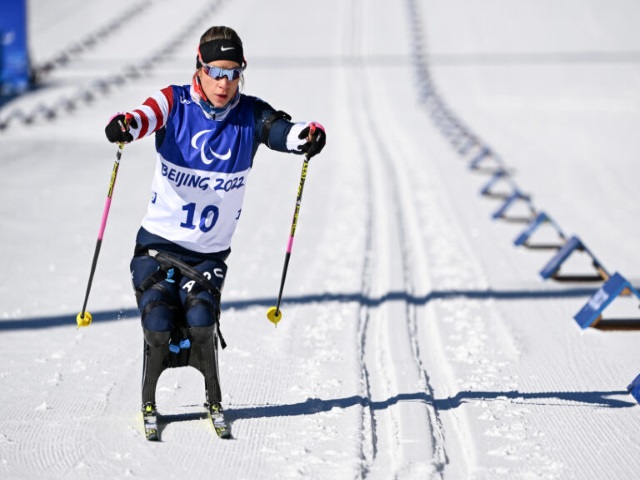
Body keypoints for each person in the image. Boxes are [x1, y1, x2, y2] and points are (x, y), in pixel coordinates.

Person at [104, 25, 325, 439]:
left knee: (202, 322)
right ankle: (149, 398)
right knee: (157, 320)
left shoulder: (249, 114)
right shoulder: (174, 102)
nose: (224, 83)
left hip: (207, 257)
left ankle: (213, 395)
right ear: (199, 68)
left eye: (233, 72)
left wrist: (306, 137)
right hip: (156, 247)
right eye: (215, 71)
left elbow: (282, 130)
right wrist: (126, 125)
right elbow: (144, 116)